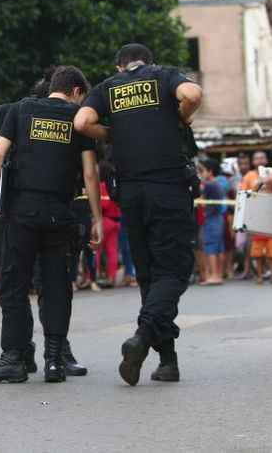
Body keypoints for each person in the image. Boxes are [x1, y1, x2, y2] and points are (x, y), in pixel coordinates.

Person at [74, 43, 203, 385]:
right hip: (168, 190)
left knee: (148, 274)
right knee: (174, 269)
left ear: (119, 67)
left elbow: (82, 121)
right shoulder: (161, 77)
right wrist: (180, 116)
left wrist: (111, 133)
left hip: (130, 195)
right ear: (148, 62)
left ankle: (168, 361)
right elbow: (192, 93)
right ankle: (143, 337)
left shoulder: (108, 88)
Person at [0, 65, 102, 384]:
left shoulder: (20, 110)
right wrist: (97, 218)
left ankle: (13, 359)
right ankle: (55, 361)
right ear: (75, 91)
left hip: (22, 212)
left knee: (14, 284)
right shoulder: (78, 120)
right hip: (60, 213)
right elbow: (89, 174)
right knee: (57, 286)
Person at [241, 151, 272, 284]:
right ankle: (256, 274)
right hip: (255, 218)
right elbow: (245, 194)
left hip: (270, 215)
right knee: (255, 250)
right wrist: (259, 183)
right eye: (256, 158)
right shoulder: (249, 176)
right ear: (253, 161)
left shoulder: (271, 172)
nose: (259, 160)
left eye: (262, 158)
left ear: (266, 160)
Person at [198, 158, 225, 285]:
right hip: (218, 218)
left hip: (211, 219)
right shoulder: (217, 184)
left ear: (210, 171)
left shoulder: (209, 185)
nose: (201, 174)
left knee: (210, 247)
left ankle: (214, 275)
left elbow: (201, 202)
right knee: (218, 247)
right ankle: (218, 274)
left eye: (202, 171)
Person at [96, 161, 121, 287]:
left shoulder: (101, 186)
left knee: (97, 249)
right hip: (116, 221)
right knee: (113, 251)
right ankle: (112, 277)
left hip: (105, 220)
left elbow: (103, 204)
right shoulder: (115, 185)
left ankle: (95, 276)